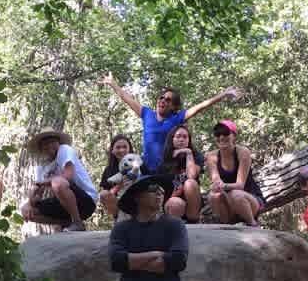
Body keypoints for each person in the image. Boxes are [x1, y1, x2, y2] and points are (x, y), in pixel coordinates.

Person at [102, 73, 243, 174]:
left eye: (168, 100)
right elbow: (126, 98)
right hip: (146, 168)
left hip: (167, 169)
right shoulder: (146, 114)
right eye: (162, 97)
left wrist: (224, 94)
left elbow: (202, 106)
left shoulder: (177, 118)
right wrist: (112, 83)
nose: (163, 100)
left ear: (174, 107)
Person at [20, 128, 98, 232]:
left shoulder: (64, 150)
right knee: (27, 210)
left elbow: (68, 175)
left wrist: (45, 181)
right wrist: (29, 204)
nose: (49, 145)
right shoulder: (42, 167)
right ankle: (66, 224)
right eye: (45, 144)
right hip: (64, 204)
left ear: (58, 142)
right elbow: (38, 191)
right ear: (41, 148)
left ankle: (77, 223)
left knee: (58, 182)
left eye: (52, 142)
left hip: (86, 200)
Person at [205, 120, 265, 226]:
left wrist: (222, 186)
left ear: (234, 136)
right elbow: (216, 183)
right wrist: (217, 187)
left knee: (236, 194)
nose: (221, 137)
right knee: (213, 196)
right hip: (227, 203)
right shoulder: (211, 156)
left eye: (226, 133)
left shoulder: (243, 152)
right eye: (217, 134)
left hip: (250, 200)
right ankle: (226, 225)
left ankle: (252, 224)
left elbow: (240, 185)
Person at [157, 124, 205, 223]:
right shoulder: (165, 161)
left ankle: (193, 220)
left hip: (193, 204)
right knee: (175, 203)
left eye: (185, 137)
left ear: (189, 140)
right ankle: (176, 229)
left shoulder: (196, 156)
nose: (181, 139)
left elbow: (191, 175)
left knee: (190, 183)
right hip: (173, 202)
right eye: (178, 136)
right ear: (172, 139)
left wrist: (188, 153)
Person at [98, 133, 135, 218]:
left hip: (138, 201)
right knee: (103, 194)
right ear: (112, 150)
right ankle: (119, 220)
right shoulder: (108, 170)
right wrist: (119, 186)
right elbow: (106, 194)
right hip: (119, 203)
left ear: (129, 149)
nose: (121, 150)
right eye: (118, 147)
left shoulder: (138, 164)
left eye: (125, 147)